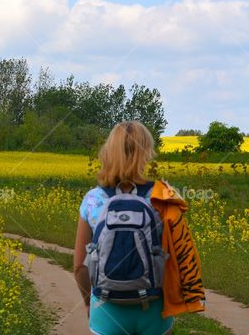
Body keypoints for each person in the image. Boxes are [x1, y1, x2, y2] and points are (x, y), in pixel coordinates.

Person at [74, 120, 205, 335]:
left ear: (108, 152)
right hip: (154, 309)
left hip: (106, 309)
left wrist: (89, 302)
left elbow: (80, 266)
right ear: (146, 153)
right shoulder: (163, 196)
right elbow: (179, 254)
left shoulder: (92, 199)